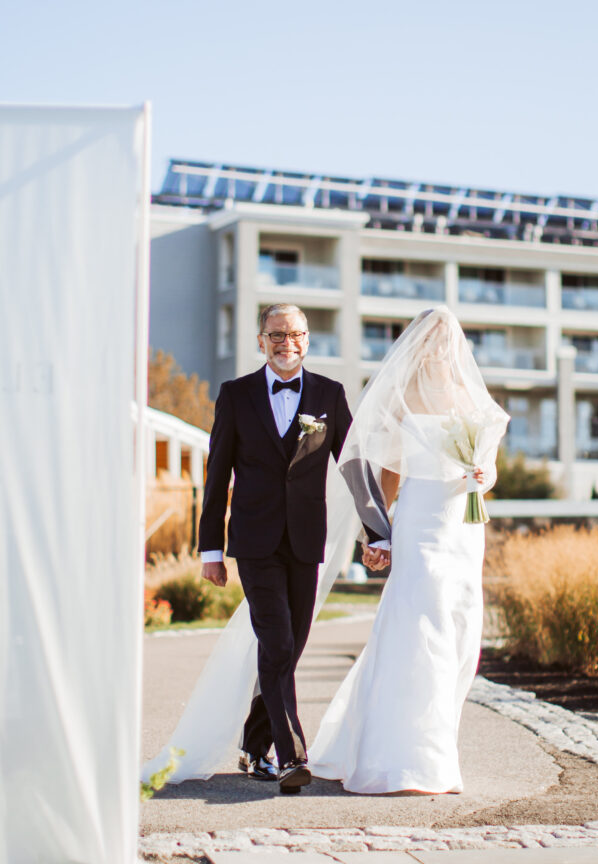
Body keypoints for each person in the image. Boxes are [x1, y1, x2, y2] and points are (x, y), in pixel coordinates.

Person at [308, 306, 508, 793]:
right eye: (432, 338)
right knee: (418, 626)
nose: (441, 347)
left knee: (458, 630)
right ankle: (403, 759)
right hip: (422, 521)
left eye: (448, 338)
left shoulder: (471, 396)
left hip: (464, 526)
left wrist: (485, 476)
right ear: (419, 342)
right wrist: (375, 531)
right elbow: (388, 473)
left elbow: (490, 467)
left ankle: (438, 751)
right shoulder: (403, 394)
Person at [195, 302, 382, 794]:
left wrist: (377, 530)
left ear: (306, 339)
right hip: (254, 543)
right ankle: (290, 757)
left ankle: (253, 745)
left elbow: (354, 465)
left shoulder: (329, 394)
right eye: (276, 334)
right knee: (276, 642)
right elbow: (216, 478)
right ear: (261, 340)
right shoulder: (235, 396)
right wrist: (209, 550)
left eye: (295, 334)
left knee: (287, 650)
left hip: (304, 542)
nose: (286, 343)